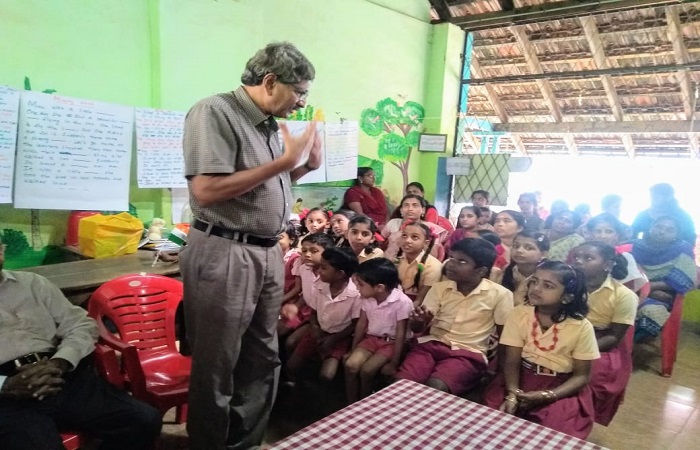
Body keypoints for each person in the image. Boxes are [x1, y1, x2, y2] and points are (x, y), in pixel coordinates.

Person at [181, 41, 322, 449]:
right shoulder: (215, 112)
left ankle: (245, 442)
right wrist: (282, 163)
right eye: (299, 92)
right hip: (225, 250)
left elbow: (262, 188)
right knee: (218, 363)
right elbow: (207, 190)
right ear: (270, 81)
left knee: (262, 357)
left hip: (265, 251)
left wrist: (303, 168)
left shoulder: (268, 126)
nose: (302, 102)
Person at [0, 240, 162, 449]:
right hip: (6, 393)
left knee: (144, 420)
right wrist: (5, 385)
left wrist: (60, 362)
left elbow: (81, 325)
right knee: (39, 442)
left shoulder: (33, 284)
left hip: (55, 372)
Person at [484, 261, 600, 439]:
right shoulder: (519, 314)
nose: (536, 288)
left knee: (551, 430)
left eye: (548, 286)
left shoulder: (581, 327)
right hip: (520, 376)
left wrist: (548, 396)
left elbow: (582, 376)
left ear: (567, 297)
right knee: (492, 419)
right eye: (534, 281)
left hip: (559, 385)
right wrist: (512, 394)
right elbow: (512, 361)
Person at [395, 238, 513, 395]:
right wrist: (419, 321)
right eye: (451, 258)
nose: (451, 264)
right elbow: (417, 329)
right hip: (431, 346)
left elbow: (505, 337)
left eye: (461, 261)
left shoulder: (500, 295)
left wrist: (498, 372)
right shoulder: (439, 289)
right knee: (402, 382)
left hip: (468, 353)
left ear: (481, 271)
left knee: (436, 386)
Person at [571, 242, 637, 426]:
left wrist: (581, 349)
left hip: (600, 342)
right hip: (566, 332)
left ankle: (581, 417)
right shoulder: (567, 285)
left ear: (607, 265)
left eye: (588, 258)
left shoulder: (624, 295)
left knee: (596, 372)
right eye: (577, 257)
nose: (579, 261)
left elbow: (614, 336)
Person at [286, 248, 361, 382]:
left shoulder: (356, 294)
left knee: (327, 375)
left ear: (340, 274)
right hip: (317, 330)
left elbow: (355, 323)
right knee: (292, 366)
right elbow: (314, 310)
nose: (319, 271)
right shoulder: (320, 284)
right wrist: (315, 328)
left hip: (339, 337)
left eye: (324, 268)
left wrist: (333, 339)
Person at [344, 258, 413, 403]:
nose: (357, 288)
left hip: (391, 342)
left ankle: (365, 403)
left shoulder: (402, 302)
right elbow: (362, 324)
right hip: (372, 339)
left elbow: (400, 334)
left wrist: (394, 363)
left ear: (379, 287)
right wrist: (353, 349)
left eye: (361, 284)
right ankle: (351, 402)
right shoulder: (367, 297)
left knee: (367, 370)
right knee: (350, 365)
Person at [632, 216, 697, 342]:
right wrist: (644, 290)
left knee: (653, 313)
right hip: (629, 290)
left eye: (669, 230)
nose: (662, 232)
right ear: (650, 227)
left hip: (660, 298)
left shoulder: (682, 250)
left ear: (676, 235)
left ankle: (632, 346)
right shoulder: (633, 246)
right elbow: (620, 273)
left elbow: (682, 282)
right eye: (658, 227)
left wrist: (645, 289)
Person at [281, 233, 335, 342]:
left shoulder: (330, 275)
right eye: (304, 250)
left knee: (291, 342)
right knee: (279, 330)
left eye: (314, 251)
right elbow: (304, 291)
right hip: (305, 309)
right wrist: (296, 306)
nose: (307, 254)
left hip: (320, 316)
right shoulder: (303, 268)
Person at [586, 213, 646, 292]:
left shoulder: (625, 256)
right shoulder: (581, 255)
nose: (603, 236)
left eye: (609, 231)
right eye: (598, 231)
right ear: (590, 234)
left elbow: (630, 289)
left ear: (617, 235)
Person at [382, 194, 447, 260]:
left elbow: (433, 256)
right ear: (401, 210)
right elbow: (380, 242)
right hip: (390, 261)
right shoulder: (393, 223)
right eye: (406, 205)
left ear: (423, 210)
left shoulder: (431, 228)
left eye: (415, 205)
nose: (410, 209)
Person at [394, 222, 443, 305]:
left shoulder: (433, 266)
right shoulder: (397, 260)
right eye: (404, 235)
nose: (407, 240)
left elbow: (420, 300)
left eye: (415, 237)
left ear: (426, 243)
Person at [631, 183, 696, 244]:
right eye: (651, 197)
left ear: (668, 197)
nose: (652, 200)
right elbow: (632, 234)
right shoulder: (643, 215)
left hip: (674, 251)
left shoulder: (683, 217)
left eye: (656, 197)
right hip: (645, 250)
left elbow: (690, 239)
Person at [500, 230, 550, 305]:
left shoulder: (548, 276)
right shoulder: (505, 270)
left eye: (529, 248)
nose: (519, 250)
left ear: (543, 255)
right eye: (516, 246)